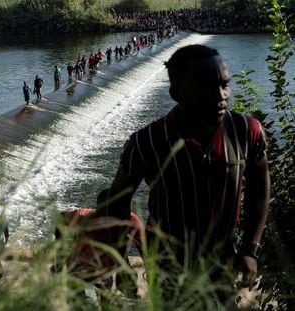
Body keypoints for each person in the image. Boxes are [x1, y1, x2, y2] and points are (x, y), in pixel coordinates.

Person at [98, 45, 270, 304]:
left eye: (225, 84)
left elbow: (259, 188)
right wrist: (121, 263)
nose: (220, 96)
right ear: (176, 93)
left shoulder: (246, 131)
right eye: (206, 87)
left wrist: (250, 248)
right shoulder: (147, 142)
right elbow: (117, 203)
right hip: (167, 269)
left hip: (222, 263)